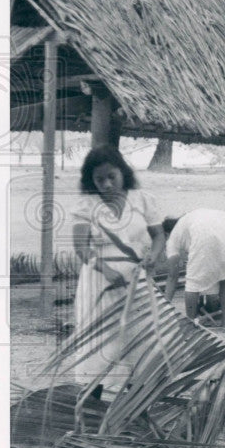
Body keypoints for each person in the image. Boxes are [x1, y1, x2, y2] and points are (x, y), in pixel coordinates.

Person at [70, 146, 165, 389]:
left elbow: (158, 236)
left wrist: (153, 256)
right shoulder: (86, 205)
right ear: (91, 180)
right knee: (102, 338)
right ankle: (95, 393)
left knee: (142, 331)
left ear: (123, 172)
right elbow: (81, 248)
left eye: (112, 176)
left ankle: (136, 394)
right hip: (99, 282)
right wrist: (106, 271)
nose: (107, 184)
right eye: (99, 179)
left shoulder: (142, 199)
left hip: (136, 278)